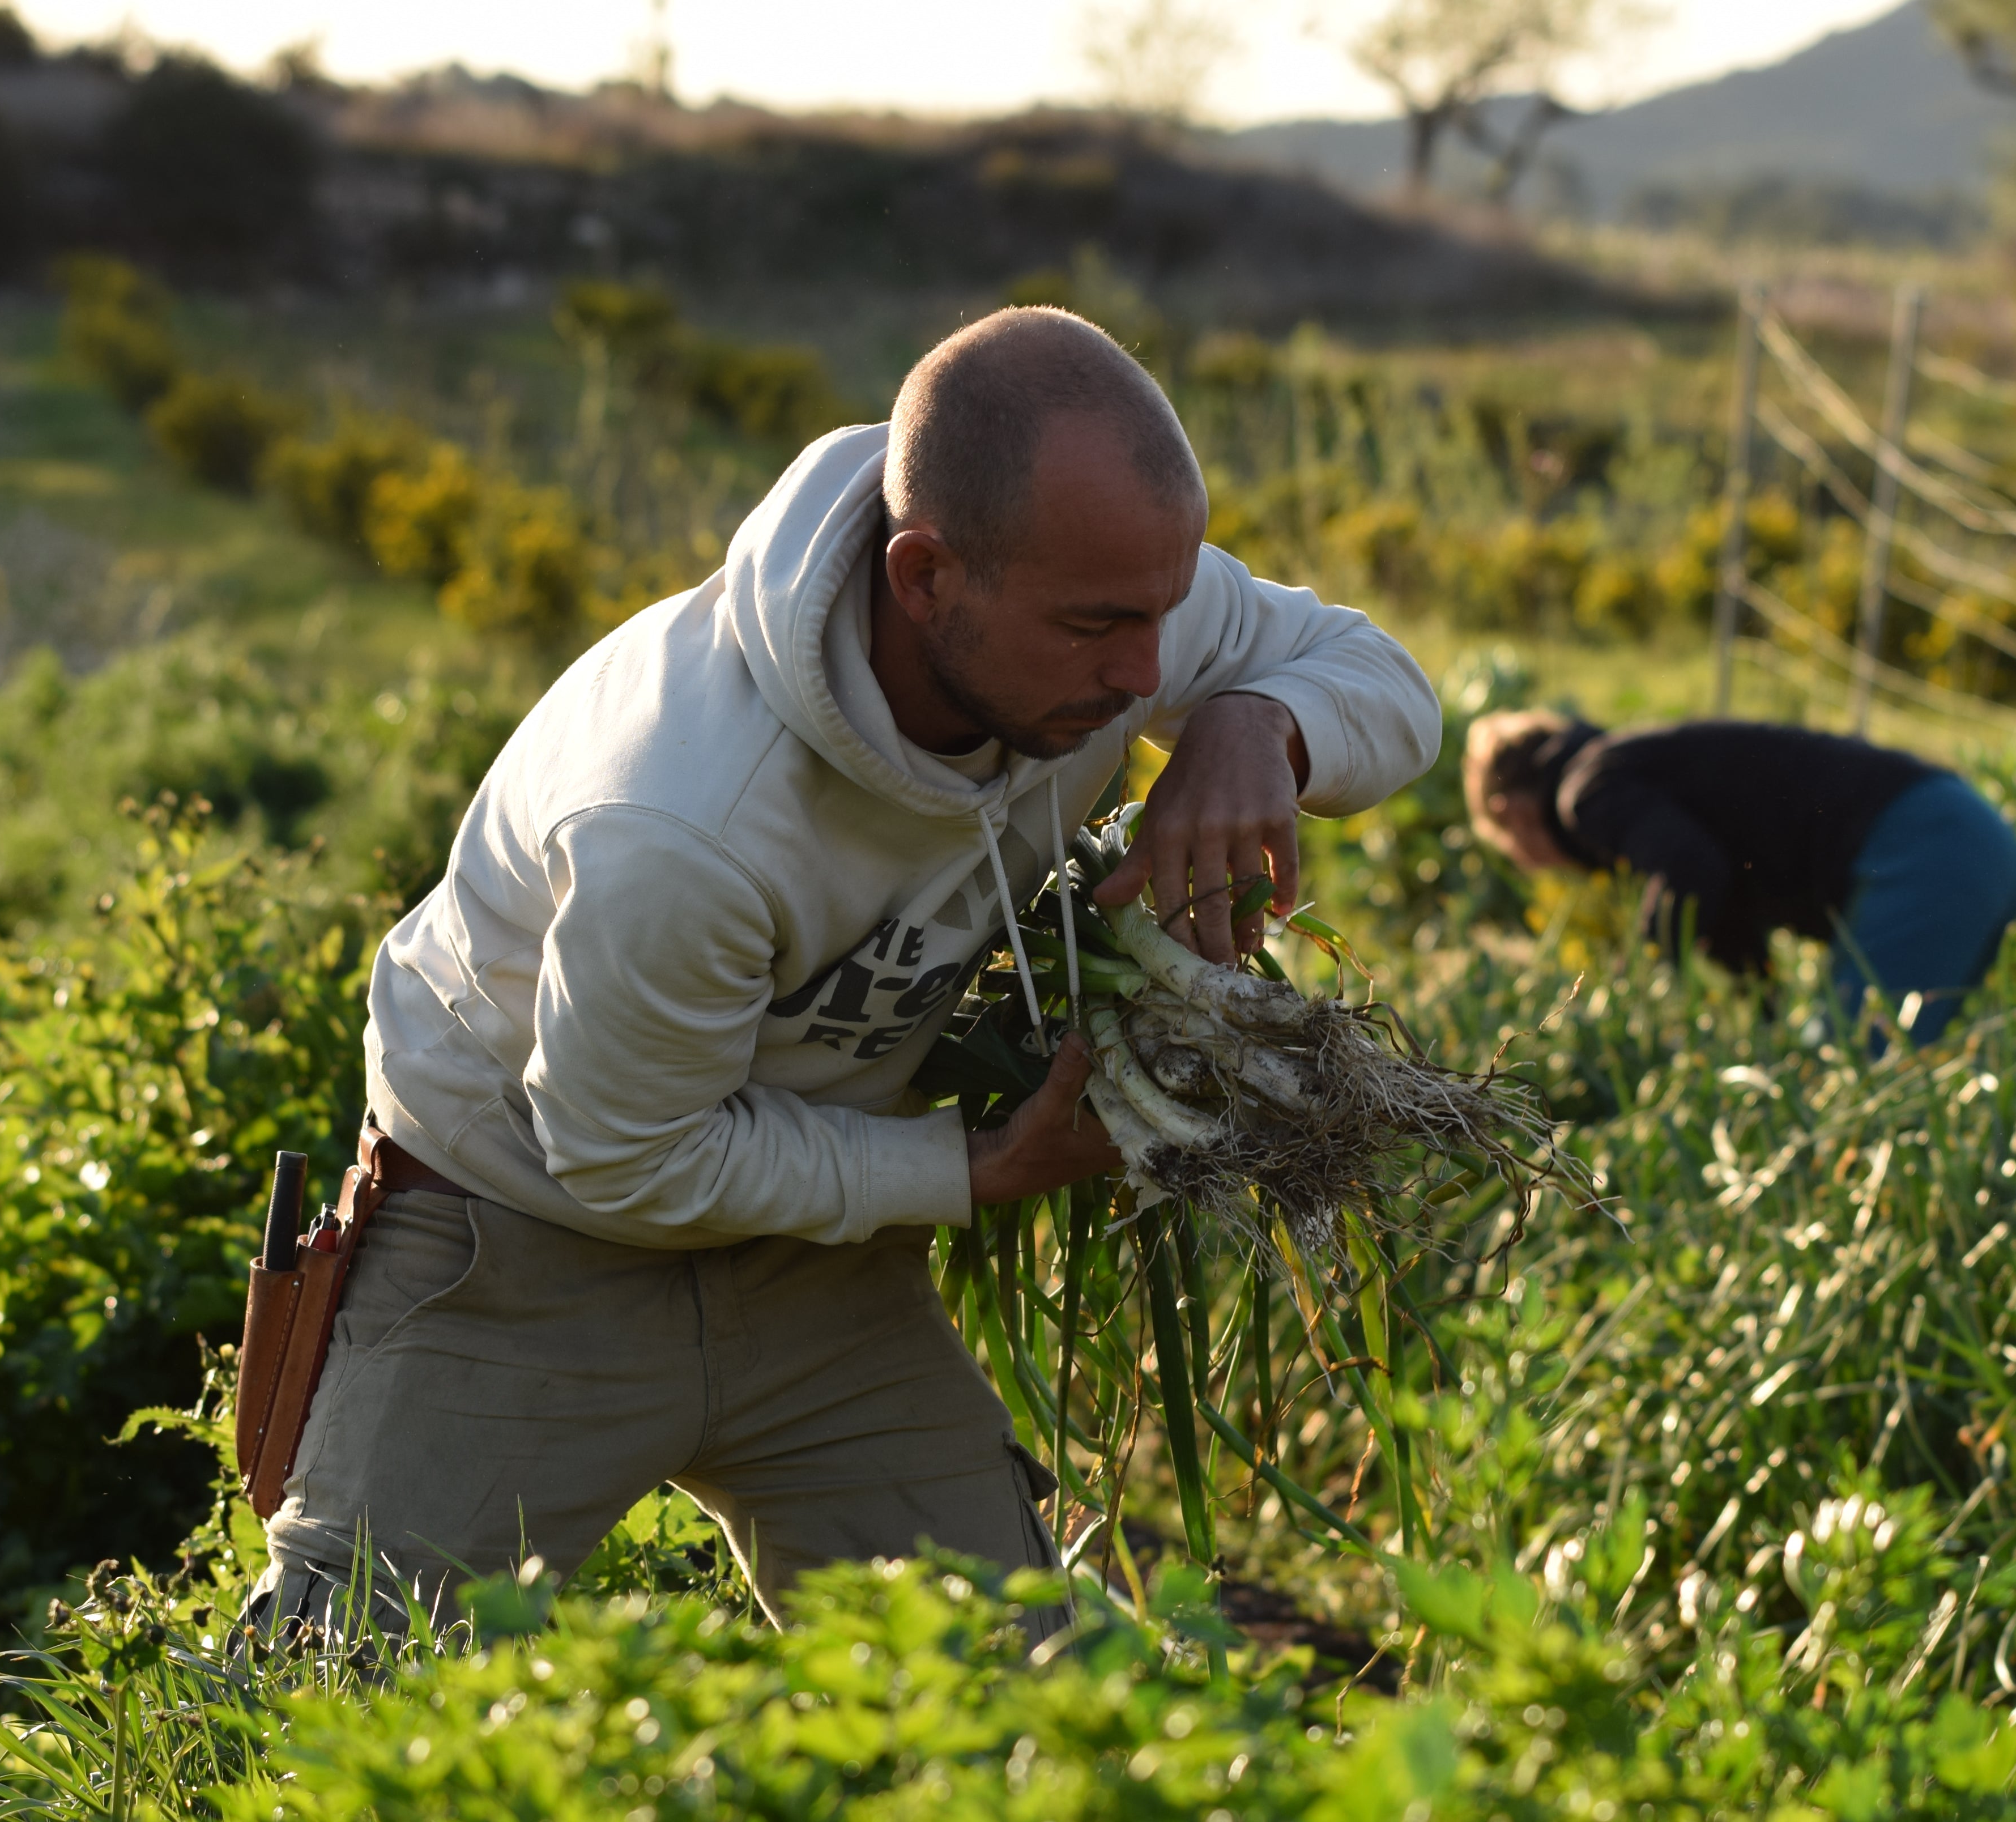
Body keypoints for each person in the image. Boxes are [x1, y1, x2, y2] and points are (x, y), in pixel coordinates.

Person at [250, 306, 1440, 1637]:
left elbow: (1383, 678)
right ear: (924, 576)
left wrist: (1259, 723)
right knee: (327, 1692)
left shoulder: (1089, 601)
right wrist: (971, 1170)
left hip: (815, 1268)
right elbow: (624, 1156)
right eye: (1097, 626)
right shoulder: (681, 817)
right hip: (519, 1246)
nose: (1144, 672)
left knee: (1018, 1686)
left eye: (1164, 616)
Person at [1463, 710, 2016, 1045]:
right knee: (1890, 1068)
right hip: (1966, 833)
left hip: (1923, 846)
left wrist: (1648, 969)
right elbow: (1721, 888)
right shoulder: (1629, 765)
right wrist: (1763, 1014)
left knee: (1846, 1076)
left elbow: (1689, 871)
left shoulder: (1588, 790)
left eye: (1511, 851)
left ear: (1511, 814)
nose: (1532, 867)